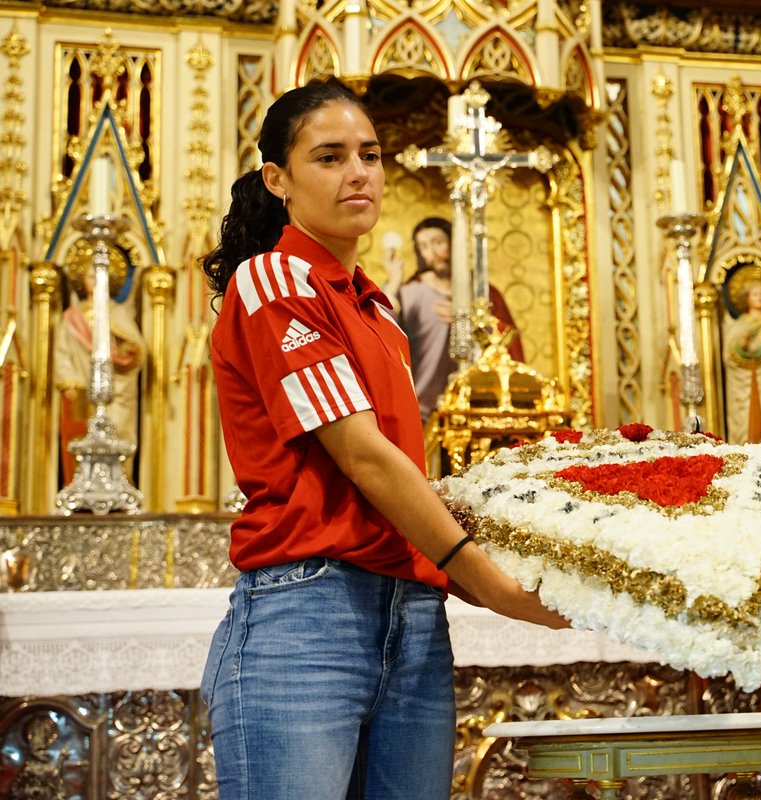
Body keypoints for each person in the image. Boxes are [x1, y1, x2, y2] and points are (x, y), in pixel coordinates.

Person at [199, 79, 565, 800]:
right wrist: (496, 586)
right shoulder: (275, 280)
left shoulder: (378, 310)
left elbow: (408, 481)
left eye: (369, 153)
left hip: (411, 611)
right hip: (309, 609)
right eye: (329, 157)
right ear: (278, 179)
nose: (359, 171)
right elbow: (363, 456)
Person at [395, 216, 525, 423]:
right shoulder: (410, 292)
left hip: (479, 404)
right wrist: (393, 281)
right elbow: (389, 340)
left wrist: (471, 318)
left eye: (438, 243)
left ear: (454, 242)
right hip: (423, 404)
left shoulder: (483, 293)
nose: (433, 253)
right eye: (424, 246)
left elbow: (508, 340)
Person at [54, 263, 146, 480]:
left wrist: (126, 352)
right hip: (82, 388)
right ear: (81, 281)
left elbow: (135, 347)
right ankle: (82, 481)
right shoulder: (72, 317)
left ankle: (120, 479)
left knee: (119, 432)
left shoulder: (117, 312)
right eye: (90, 276)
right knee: (80, 436)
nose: (95, 280)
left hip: (117, 388)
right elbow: (62, 353)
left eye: (100, 276)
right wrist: (70, 380)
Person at [722, 278, 761, 444]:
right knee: (745, 416)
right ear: (747, 298)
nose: (760, 297)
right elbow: (729, 354)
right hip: (745, 379)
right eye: (755, 294)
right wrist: (740, 346)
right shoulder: (739, 324)